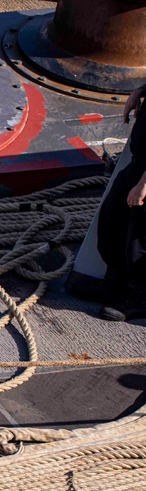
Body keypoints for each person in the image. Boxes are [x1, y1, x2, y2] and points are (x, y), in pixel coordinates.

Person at [78, 82, 146, 321]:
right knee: (112, 217)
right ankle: (114, 282)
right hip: (138, 165)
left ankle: (140, 299)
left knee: (140, 238)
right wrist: (140, 91)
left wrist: (143, 185)